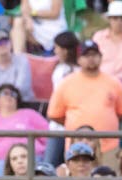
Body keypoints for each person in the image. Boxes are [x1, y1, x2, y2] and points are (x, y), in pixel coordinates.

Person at [46, 39, 122, 165]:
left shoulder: (114, 83)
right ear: (79, 59)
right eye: (86, 55)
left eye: (94, 55)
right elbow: (54, 114)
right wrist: (74, 125)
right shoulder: (66, 83)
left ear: (101, 57)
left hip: (108, 147)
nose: (91, 59)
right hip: (76, 147)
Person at [0, 83, 48, 176]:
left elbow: (49, 137)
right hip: (3, 161)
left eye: (13, 94)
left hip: (33, 158)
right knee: (0, 171)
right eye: (5, 93)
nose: (9, 96)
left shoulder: (29, 114)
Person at [43, 30, 78, 166]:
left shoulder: (64, 71)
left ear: (65, 50)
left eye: (57, 47)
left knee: (50, 164)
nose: (55, 51)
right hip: (63, 124)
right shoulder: (66, 70)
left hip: (62, 125)